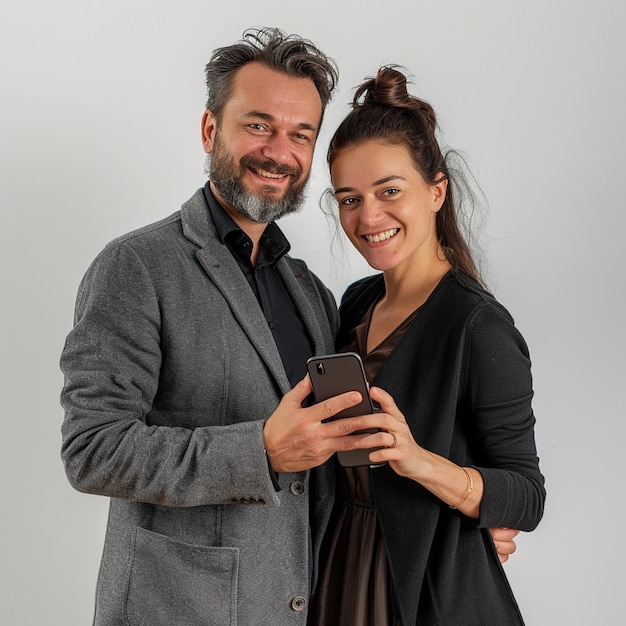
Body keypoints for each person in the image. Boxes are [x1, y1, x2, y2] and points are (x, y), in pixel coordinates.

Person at [59, 27, 519, 624]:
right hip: (178, 607)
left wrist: (458, 518)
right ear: (209, 129)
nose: (279, 150)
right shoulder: (138, 266)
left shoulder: (313, 293)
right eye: (258, 125)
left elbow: (348, 454)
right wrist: (260, 450)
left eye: (300, 133)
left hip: (305, 604)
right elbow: (92, 450)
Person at [308, 66, 546, 626]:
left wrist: (419, 463)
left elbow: (526, 495)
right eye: (348, 199)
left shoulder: (478, 325)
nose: (369, 217)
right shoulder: (356, 303)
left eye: (390, 191)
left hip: (422, 587)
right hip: (337, 563)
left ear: (436, 191)